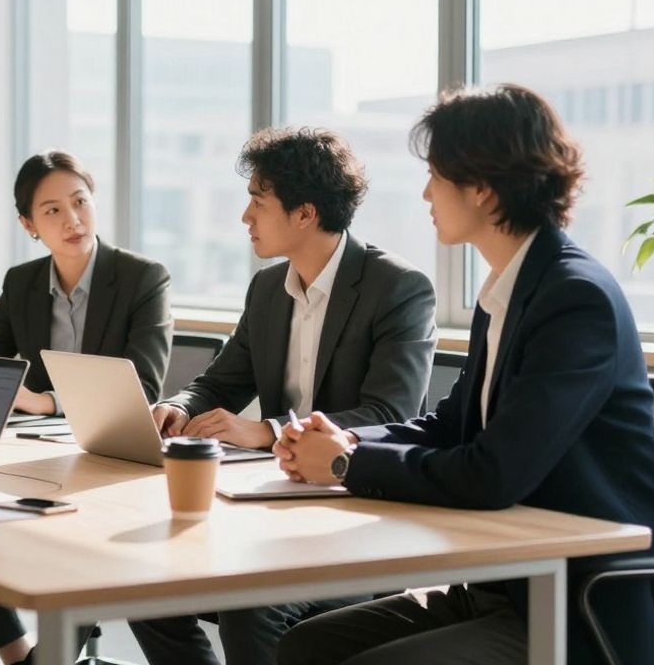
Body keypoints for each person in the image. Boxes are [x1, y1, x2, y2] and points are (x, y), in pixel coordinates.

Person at [274, 84, 654, 665]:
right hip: (502, 584)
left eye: (436, 176)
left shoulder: (574, 299)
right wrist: (343, 440)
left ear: (483, 190)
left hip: (576, 605)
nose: (425, 192)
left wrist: (345, 464)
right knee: (306, 646)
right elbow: (451, 425)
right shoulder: (509, 291)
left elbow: (494, 473)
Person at [131, 127, 436, 665]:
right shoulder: (268, 289)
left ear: (305, 214)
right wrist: (180, 406)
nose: (245, 217)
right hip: (272, 511)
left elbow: (390, 414)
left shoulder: (399, 288)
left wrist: (266, 430)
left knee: (253, 604)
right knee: (140, 576)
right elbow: (220, 382)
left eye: (257, 202)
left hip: (357, 520)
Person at [0, 150, 173, 664]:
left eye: (80, 202)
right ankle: (18, 655)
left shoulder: (143, 278)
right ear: (29, 224)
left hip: (113, 459)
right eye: (52, 211)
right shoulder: (23, 283)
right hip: (40, 458)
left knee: (77, 543)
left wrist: (43, 400)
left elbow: (140, 385)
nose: (72, 220)